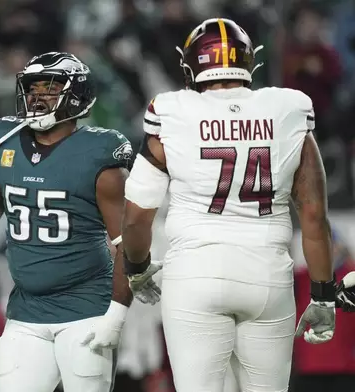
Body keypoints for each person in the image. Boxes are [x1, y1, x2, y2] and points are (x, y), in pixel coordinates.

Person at [121, 18, 335, 392]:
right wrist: (323, 296)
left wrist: (137, 268)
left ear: (190, 64)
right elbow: (314, 215)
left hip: (195, 273)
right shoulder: (287, 107)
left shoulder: (173, 110)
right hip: (267, 274)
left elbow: (138, 215)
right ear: (249, 61)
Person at [0, 51, 141, 392]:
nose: (38, 96)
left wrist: (117, 313)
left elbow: (124, 246)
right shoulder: (5, 142)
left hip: (86, 309)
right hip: (25, 311)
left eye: (50, 89)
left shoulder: (99, 154)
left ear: (77, 96)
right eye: (33, 88)